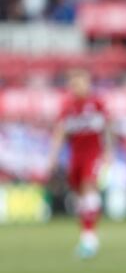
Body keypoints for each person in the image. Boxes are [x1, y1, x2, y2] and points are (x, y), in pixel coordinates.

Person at [46, 69, 113, 259]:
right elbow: (60, 132)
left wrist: (109, 152)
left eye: (80, 82)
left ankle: (90, 239)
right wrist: (53, 157)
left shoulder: (97, 103)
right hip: (75, 156)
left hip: (93, 154)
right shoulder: (68, 106)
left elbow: (108, 128)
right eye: (73, 84)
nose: (77, 87)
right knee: (79, 195)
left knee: (88, 186)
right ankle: (86, 234)